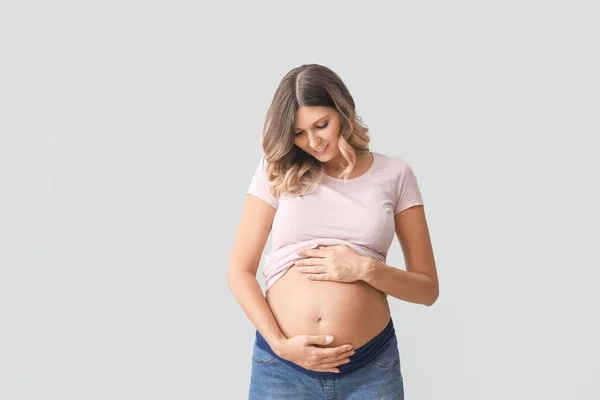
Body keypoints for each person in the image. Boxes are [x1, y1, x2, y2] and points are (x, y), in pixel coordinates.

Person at [227, 64, 439, 399]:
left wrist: (364, 268)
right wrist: (281, 345)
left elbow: (427, 290)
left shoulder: (395, 174)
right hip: (283, 369)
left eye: (321, 125)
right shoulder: (276, 168)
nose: (312, 142)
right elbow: (239, 271)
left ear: (343, 110)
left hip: (370, 369)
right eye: (298, 133)